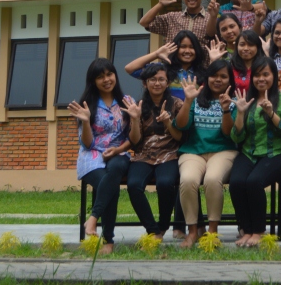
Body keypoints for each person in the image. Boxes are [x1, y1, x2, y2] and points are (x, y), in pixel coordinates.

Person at [228, 56, 281, 247]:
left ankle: (258, 231)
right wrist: (240, 113)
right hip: (249, 152)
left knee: (253, 182)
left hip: (277, 153)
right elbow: (236, 137)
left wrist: (271, 114)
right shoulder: (245, 100)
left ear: (274, 76)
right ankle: (246, 229)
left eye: (266, 74)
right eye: (257, 75)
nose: (261, 79)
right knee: (236, 182)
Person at [71, 59, 133, 255]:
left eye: (109, 74)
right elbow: (88, 143)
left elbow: (133, 138)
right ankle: (108, 240)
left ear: (115, 75)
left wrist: (118, 150)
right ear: (93, 81)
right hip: (92, 155)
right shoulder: (87, 105)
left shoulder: (126, 102)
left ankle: (92, 219)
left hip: (119, 151)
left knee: (114, 170)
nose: (106, 79)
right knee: (110, 184)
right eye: (100, 76)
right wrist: (86, 121)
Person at [174, 61, 237, 248]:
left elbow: (228, 133)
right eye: (214, 75)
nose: (218, 80)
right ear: (207, 78)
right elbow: (182, 125)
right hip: (193, 151)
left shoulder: (233, 101)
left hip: (223, 150)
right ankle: (193, 232)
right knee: (187, 179)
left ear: (229, 80)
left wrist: (225, 109)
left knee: (212, 179)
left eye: (223, 76)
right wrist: (187, 101)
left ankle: (212, 232)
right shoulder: (196, 99)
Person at [124, 62, 183, 240]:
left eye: (161, 79)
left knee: (165, 184)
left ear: (167, 82)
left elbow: (180, 137)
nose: (157, 83)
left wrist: (167, 123)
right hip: (144, 155)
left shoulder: (177, 104)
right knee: (133, 185)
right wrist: (134, 119)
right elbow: (135, 141)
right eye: (152, 80)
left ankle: (163, 225)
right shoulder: (138, 106)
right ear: (145, 83)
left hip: (170, 153)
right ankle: (153, 230)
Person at [125, 30, 207, 103]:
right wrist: (156, 54)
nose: (187, 51)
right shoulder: (162, 70)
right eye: (183, 47)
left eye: (192, 47)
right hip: (165, 117)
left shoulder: (203, 73)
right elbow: (130, 69)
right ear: (175, 48)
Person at [141, 0, 210, 46]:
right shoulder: (172, 18)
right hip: (172, 58)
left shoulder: (210, 20)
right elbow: (144, 22)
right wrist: (160, 4)